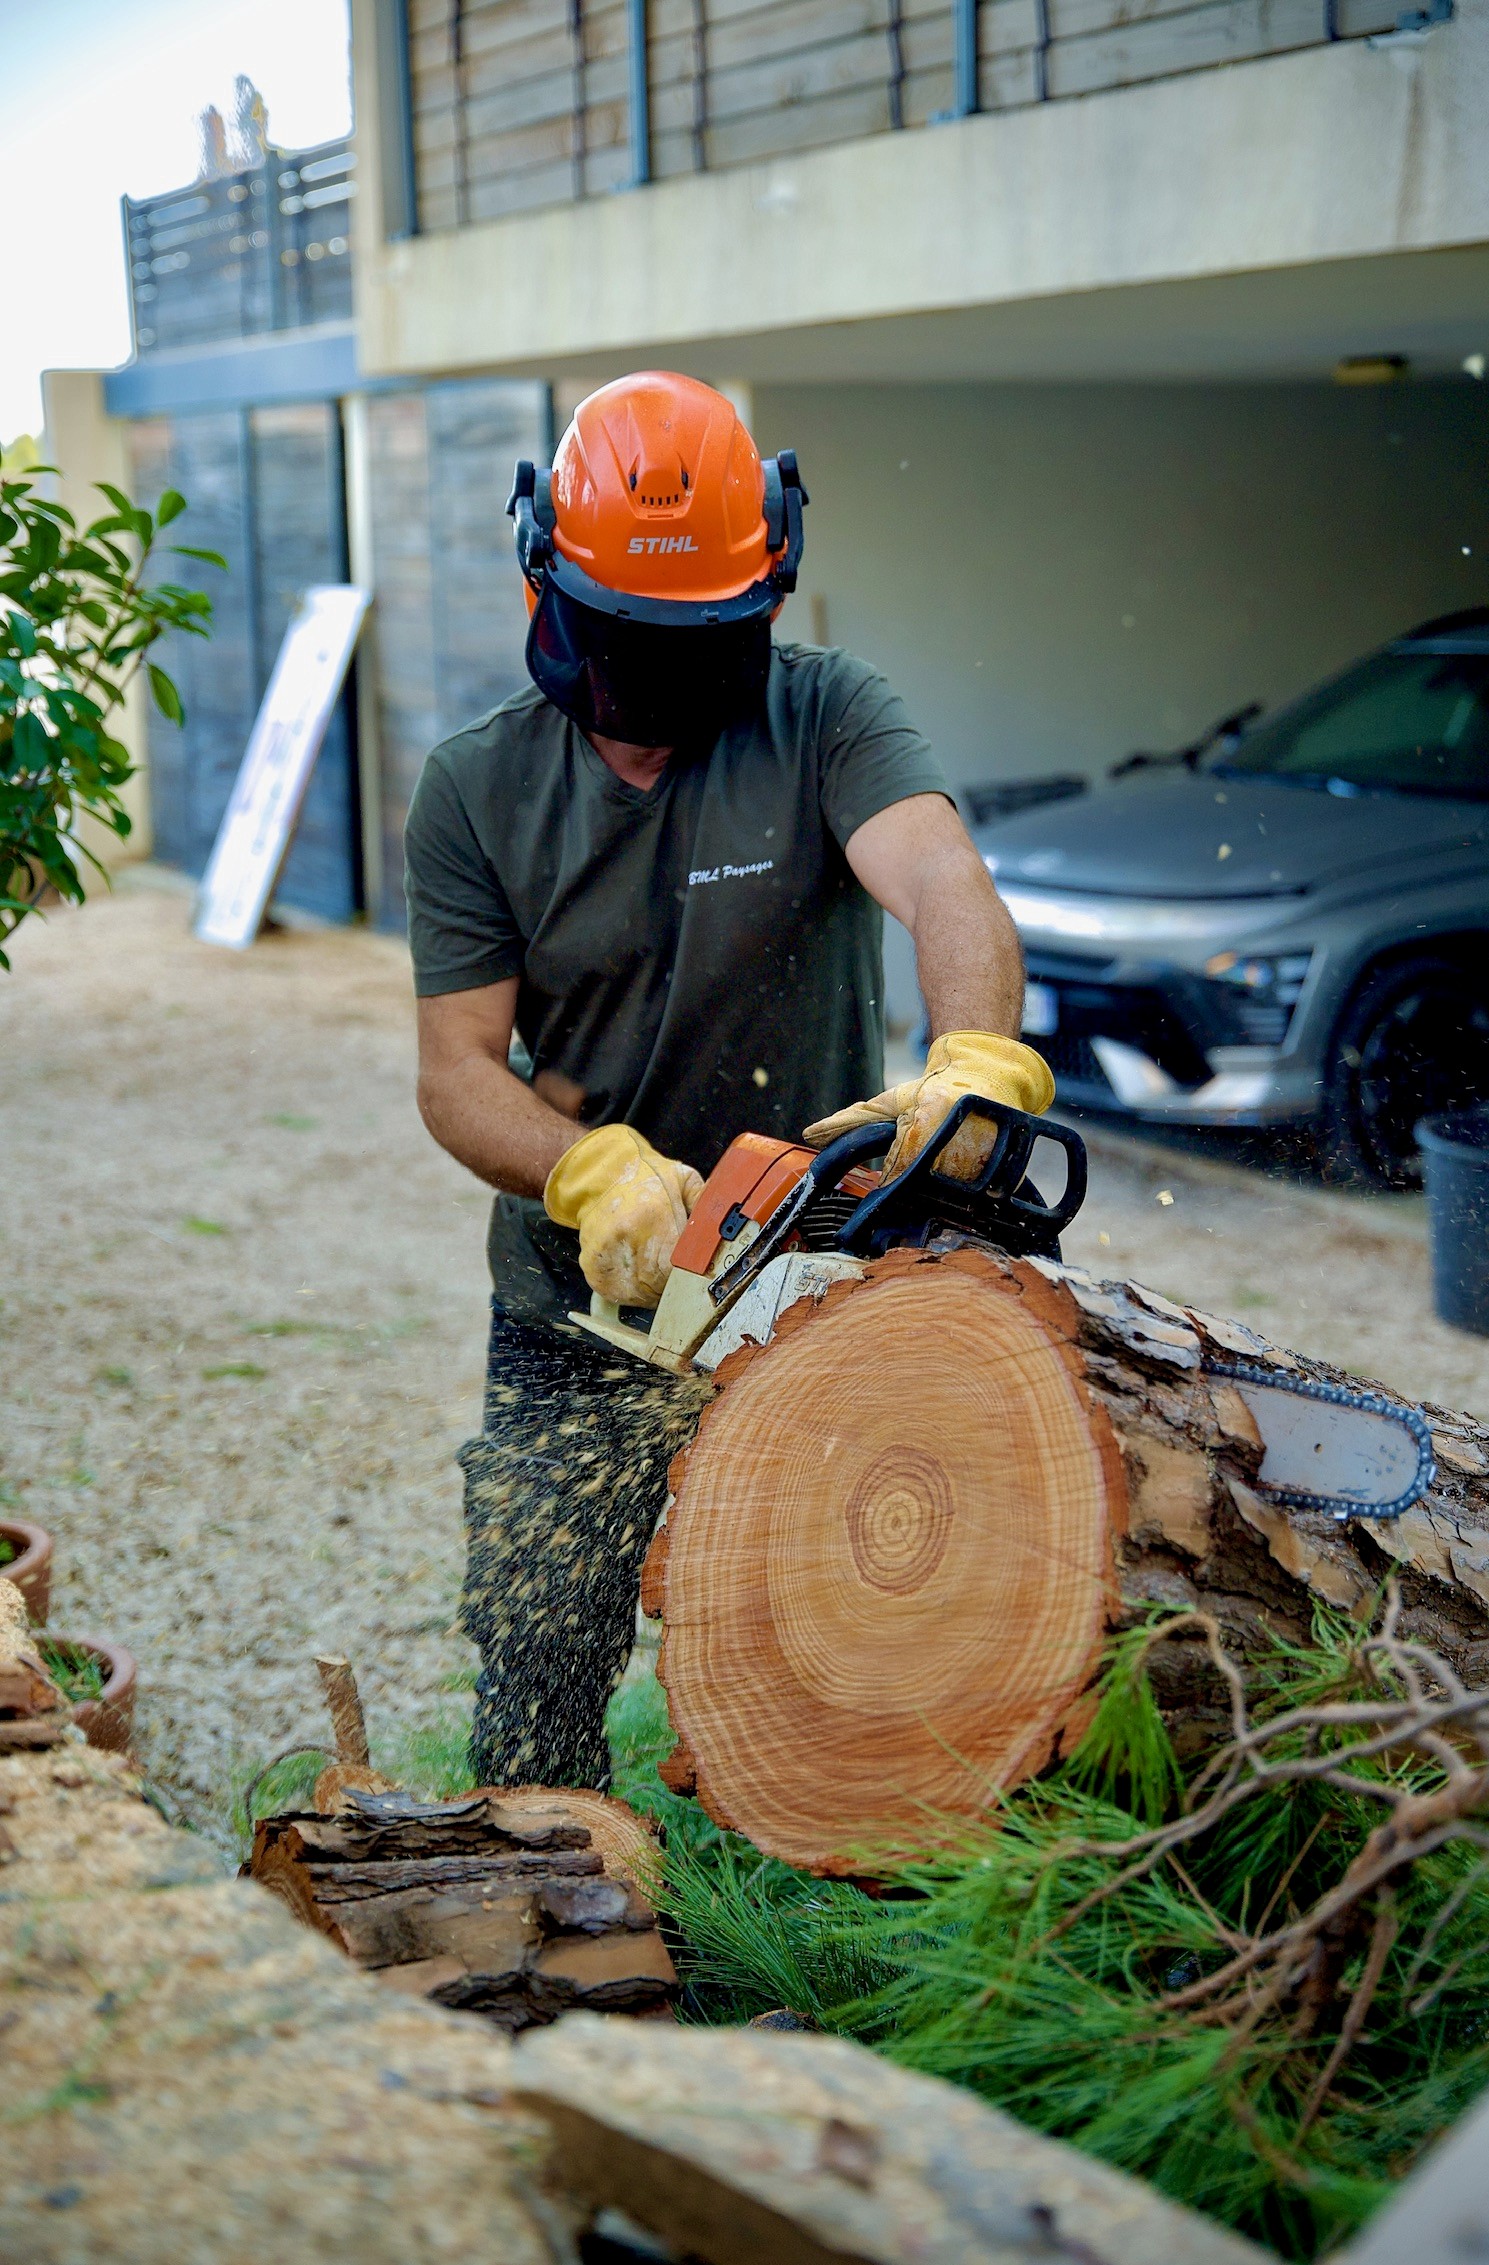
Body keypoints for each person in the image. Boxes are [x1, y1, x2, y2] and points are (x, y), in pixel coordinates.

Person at [404, 372, 1052, 1790]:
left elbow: (942, 881)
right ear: (548, 580)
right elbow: (456, 1070)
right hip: (582, 1309)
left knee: (870, 1679)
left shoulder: (826, 716)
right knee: (537, 1686)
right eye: (620, 646)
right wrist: (585, 1167)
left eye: (687, 650)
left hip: (815, 1290)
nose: (648, 701)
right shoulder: (472, 789)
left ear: (763, 593)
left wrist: (975, 1057)